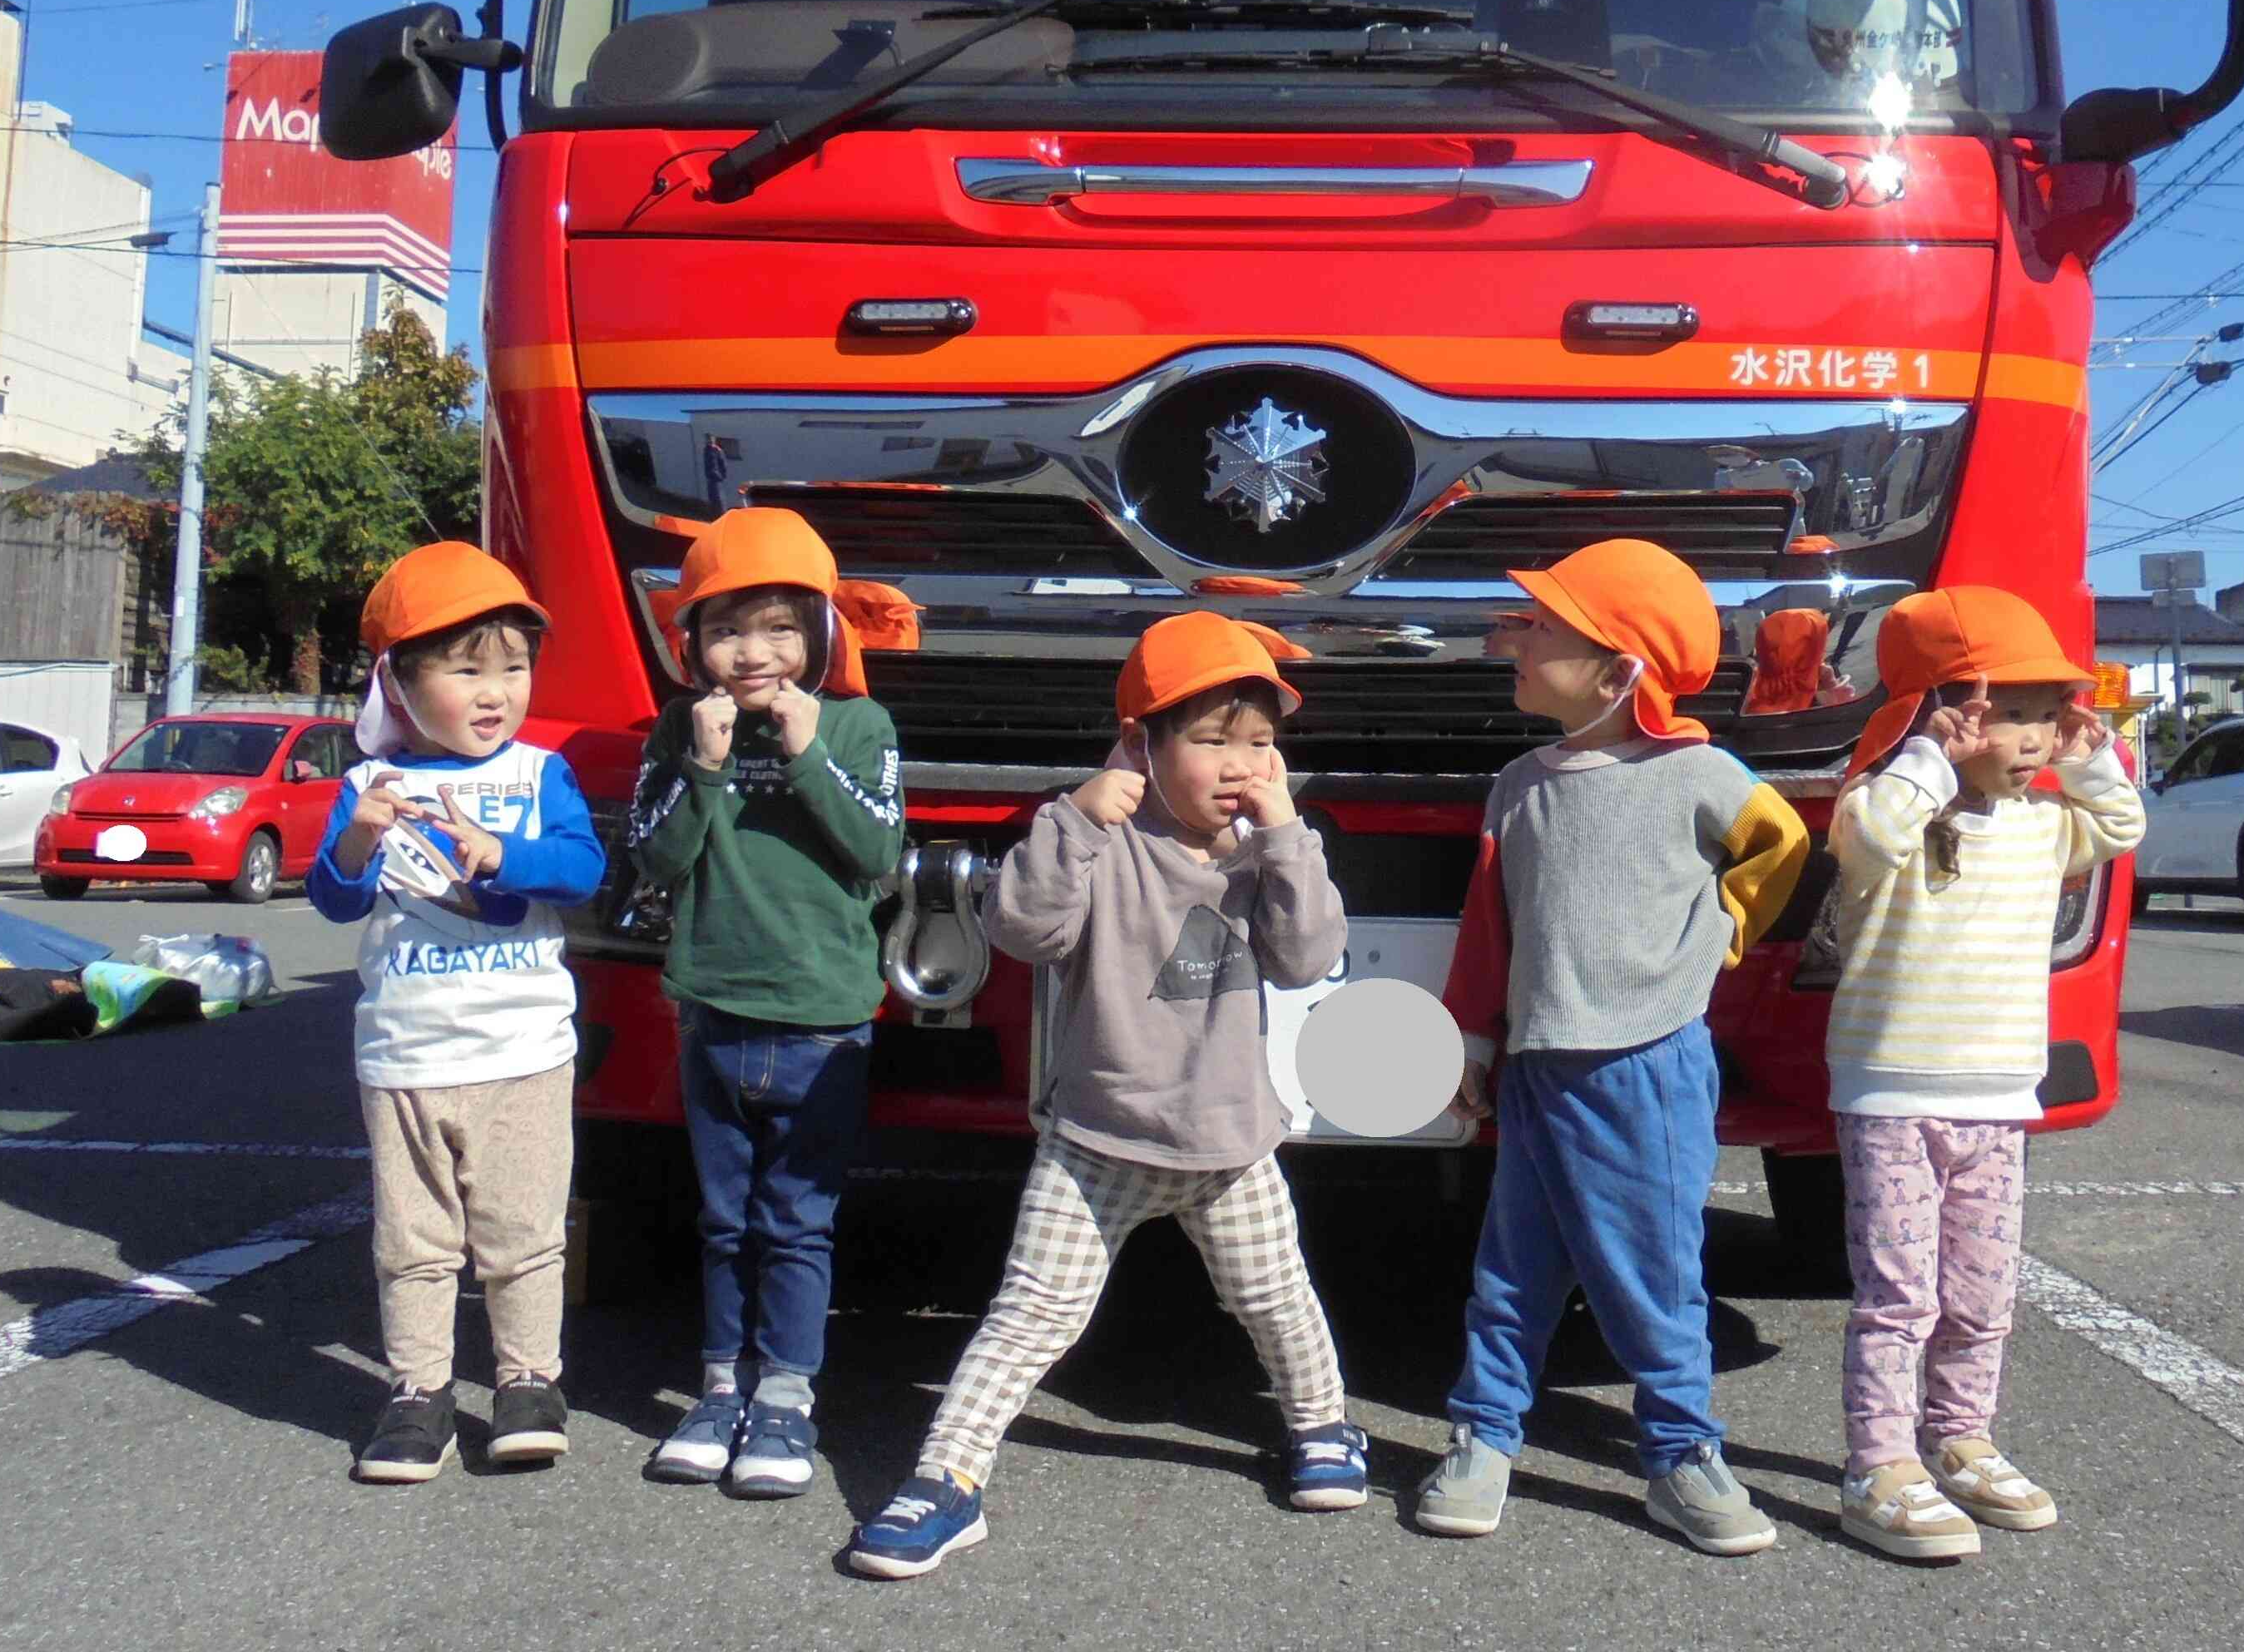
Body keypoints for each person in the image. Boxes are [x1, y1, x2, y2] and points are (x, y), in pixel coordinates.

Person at [848, 612, 1363, 1579]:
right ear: (1140, 742)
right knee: (1030, 1312)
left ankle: (1325, 1427)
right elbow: (1025, 932)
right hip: (1097, 1138)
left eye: (1260, 743)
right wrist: (1080, 819)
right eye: (1209, 741)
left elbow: (1309, 958)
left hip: (1229, 1145)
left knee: (1276, 1300)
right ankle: (946, 1482)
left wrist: (1288, 833)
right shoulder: (1091, 831)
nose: (1239, 766)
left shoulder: (1268, 848)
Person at [1418, 540, 1811, 1552]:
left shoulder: (1699, 772)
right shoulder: (1519, 783)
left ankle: (1682, 1451)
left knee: (1654, 1269)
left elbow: (1783, 843)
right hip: (1541, 1062)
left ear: (1620, 667)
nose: (1511, 637)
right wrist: (1474, 1036)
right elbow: (1490, 924)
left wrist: (1725, 923)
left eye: (1539, 628)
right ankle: (1484, 1431)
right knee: (1513, 1267)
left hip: (1648, 1060)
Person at [1823, 586, 2143, 1561]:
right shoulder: (1884, 812)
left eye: (2051, 713)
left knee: (1982, 1290)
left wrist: (2094, 760)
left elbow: (2122, 828)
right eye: (2011, 712)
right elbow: (1868, 838)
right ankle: (1880, 1463)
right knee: (1898, 1295)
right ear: (1941, 716)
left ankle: (1960, 1438)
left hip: (1999, 1097)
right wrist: (1930, 755)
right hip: (1891, 1095)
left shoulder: (2049, 826)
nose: (2037, 736)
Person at [307, 542, 607, 1486]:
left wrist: (501, 855)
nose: (497, 691)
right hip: (403, 1053)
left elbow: (583, 870)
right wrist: (354, 843)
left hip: (523, 1050)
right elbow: (334, 900)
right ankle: (417, 1395)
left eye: (513, 667)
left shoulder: (540, 772)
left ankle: (528, 1383)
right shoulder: (368, 787)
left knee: (523, 1229)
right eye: (467, 669)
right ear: (398, 683)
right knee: (414, 1240)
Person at [627, 507, 908, 1500]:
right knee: (721, 1218)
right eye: (728, 629)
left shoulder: (860, 724)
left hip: (826, 1016)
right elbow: (655, 858)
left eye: (782, 627)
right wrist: (705, 764)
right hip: (711, 1008)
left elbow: (876, 854)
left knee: (796, 1221)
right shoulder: (680, 729)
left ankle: (785, 1398)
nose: (754, 652)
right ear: (692, 642)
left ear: (823, 635)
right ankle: (717, 1390)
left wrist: (804, 751)